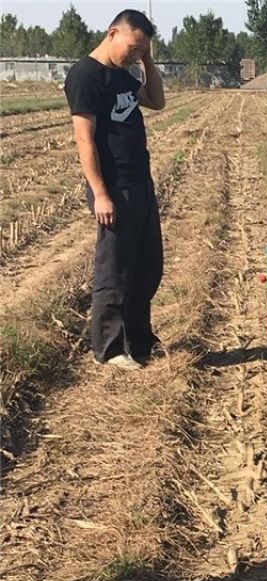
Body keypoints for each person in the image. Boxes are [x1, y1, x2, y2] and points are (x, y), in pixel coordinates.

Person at [64, 9, 165, 370]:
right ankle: (108, 350)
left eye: (143, 50)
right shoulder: (86, 76)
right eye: (134, 47)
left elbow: (157, 101)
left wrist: (146, 61)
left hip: (139, 181)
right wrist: (100, 193)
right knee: (115, 270)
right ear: (112, 33)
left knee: (146, 266)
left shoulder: (123, 74)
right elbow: (83, 139)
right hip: (113, 187)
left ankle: (139, 342)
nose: (136, 55)